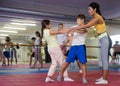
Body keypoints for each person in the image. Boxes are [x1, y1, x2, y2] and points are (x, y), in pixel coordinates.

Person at [73, 2, 110, 84]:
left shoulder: (98, 18)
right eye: (88, 9)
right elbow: (85, 24)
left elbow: (87, 26)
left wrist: (73, 28)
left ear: (95, 9)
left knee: (104, 60)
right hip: (101, 39)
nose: (88, 11)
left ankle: (105, 79)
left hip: (104, 38)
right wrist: (77, 28)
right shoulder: (94, 18)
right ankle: (103, 77)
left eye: (90, 9)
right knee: (101, 59)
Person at [57, 14, 88, 84]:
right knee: (67, 61)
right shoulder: (74, 27)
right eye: (76, 20)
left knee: (83, 62)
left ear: (82, 20)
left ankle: (84, 78)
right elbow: (68, 31)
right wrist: (61, 31)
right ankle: (60, 74)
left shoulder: (85, 27)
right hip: (73, 47)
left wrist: (73, 30)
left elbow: (83, 31)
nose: (76, 21)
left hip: (81, 46)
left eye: (78, 20)